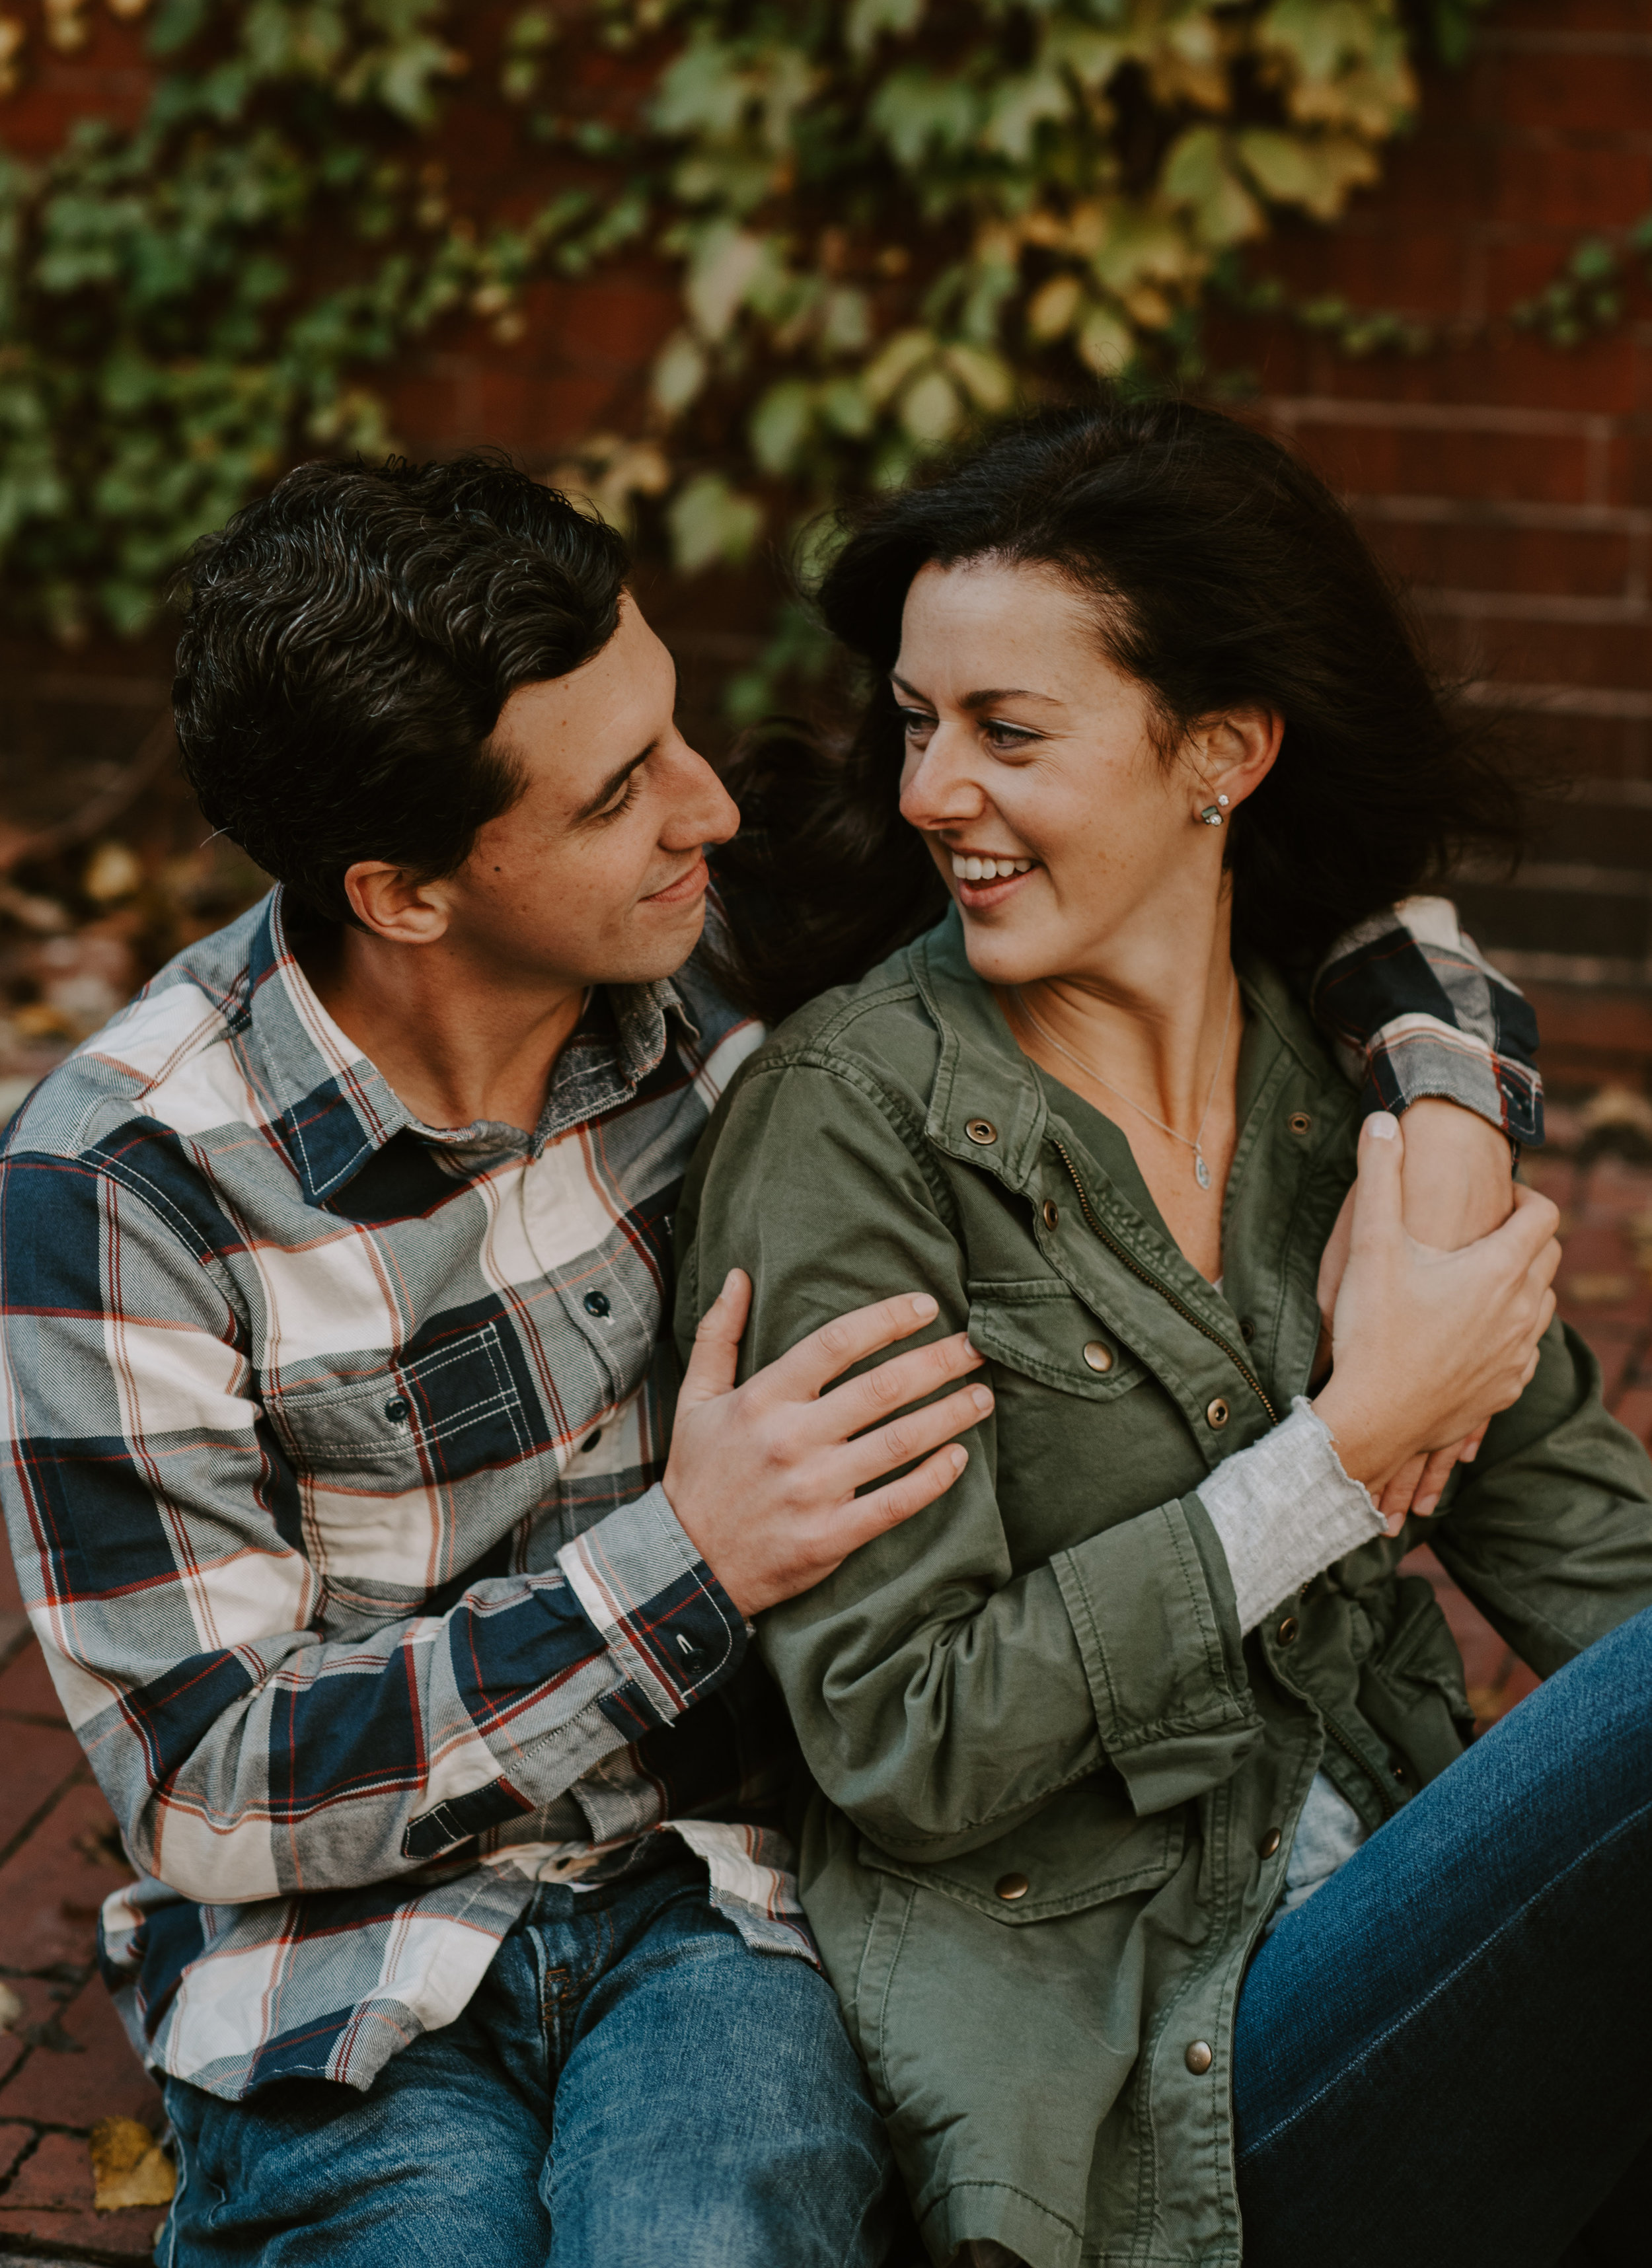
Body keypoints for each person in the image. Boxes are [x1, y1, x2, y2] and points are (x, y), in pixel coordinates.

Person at [0, 452, 1543, 2268]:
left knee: (708, 2238)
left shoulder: (737, 942)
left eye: (668, 730)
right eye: (618, 793)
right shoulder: (120, 1189)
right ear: (407, 892)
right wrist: (686, 1561)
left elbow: (1300, 886)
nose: (711, 804)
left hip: (717, 1907)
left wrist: (1446, 1117)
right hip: (336, 1967)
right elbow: (212, 1784)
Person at [673, 398, 1652, 2268]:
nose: (927, 791)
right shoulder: (852, 1121)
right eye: (915, 722)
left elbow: (1598, 1573)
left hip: (1395, 1938)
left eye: (1005, 731)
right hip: (1136, 2089)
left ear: (1221, 752)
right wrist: (1334, 1466)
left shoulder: (1355, 1099)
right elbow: (902, 1729)